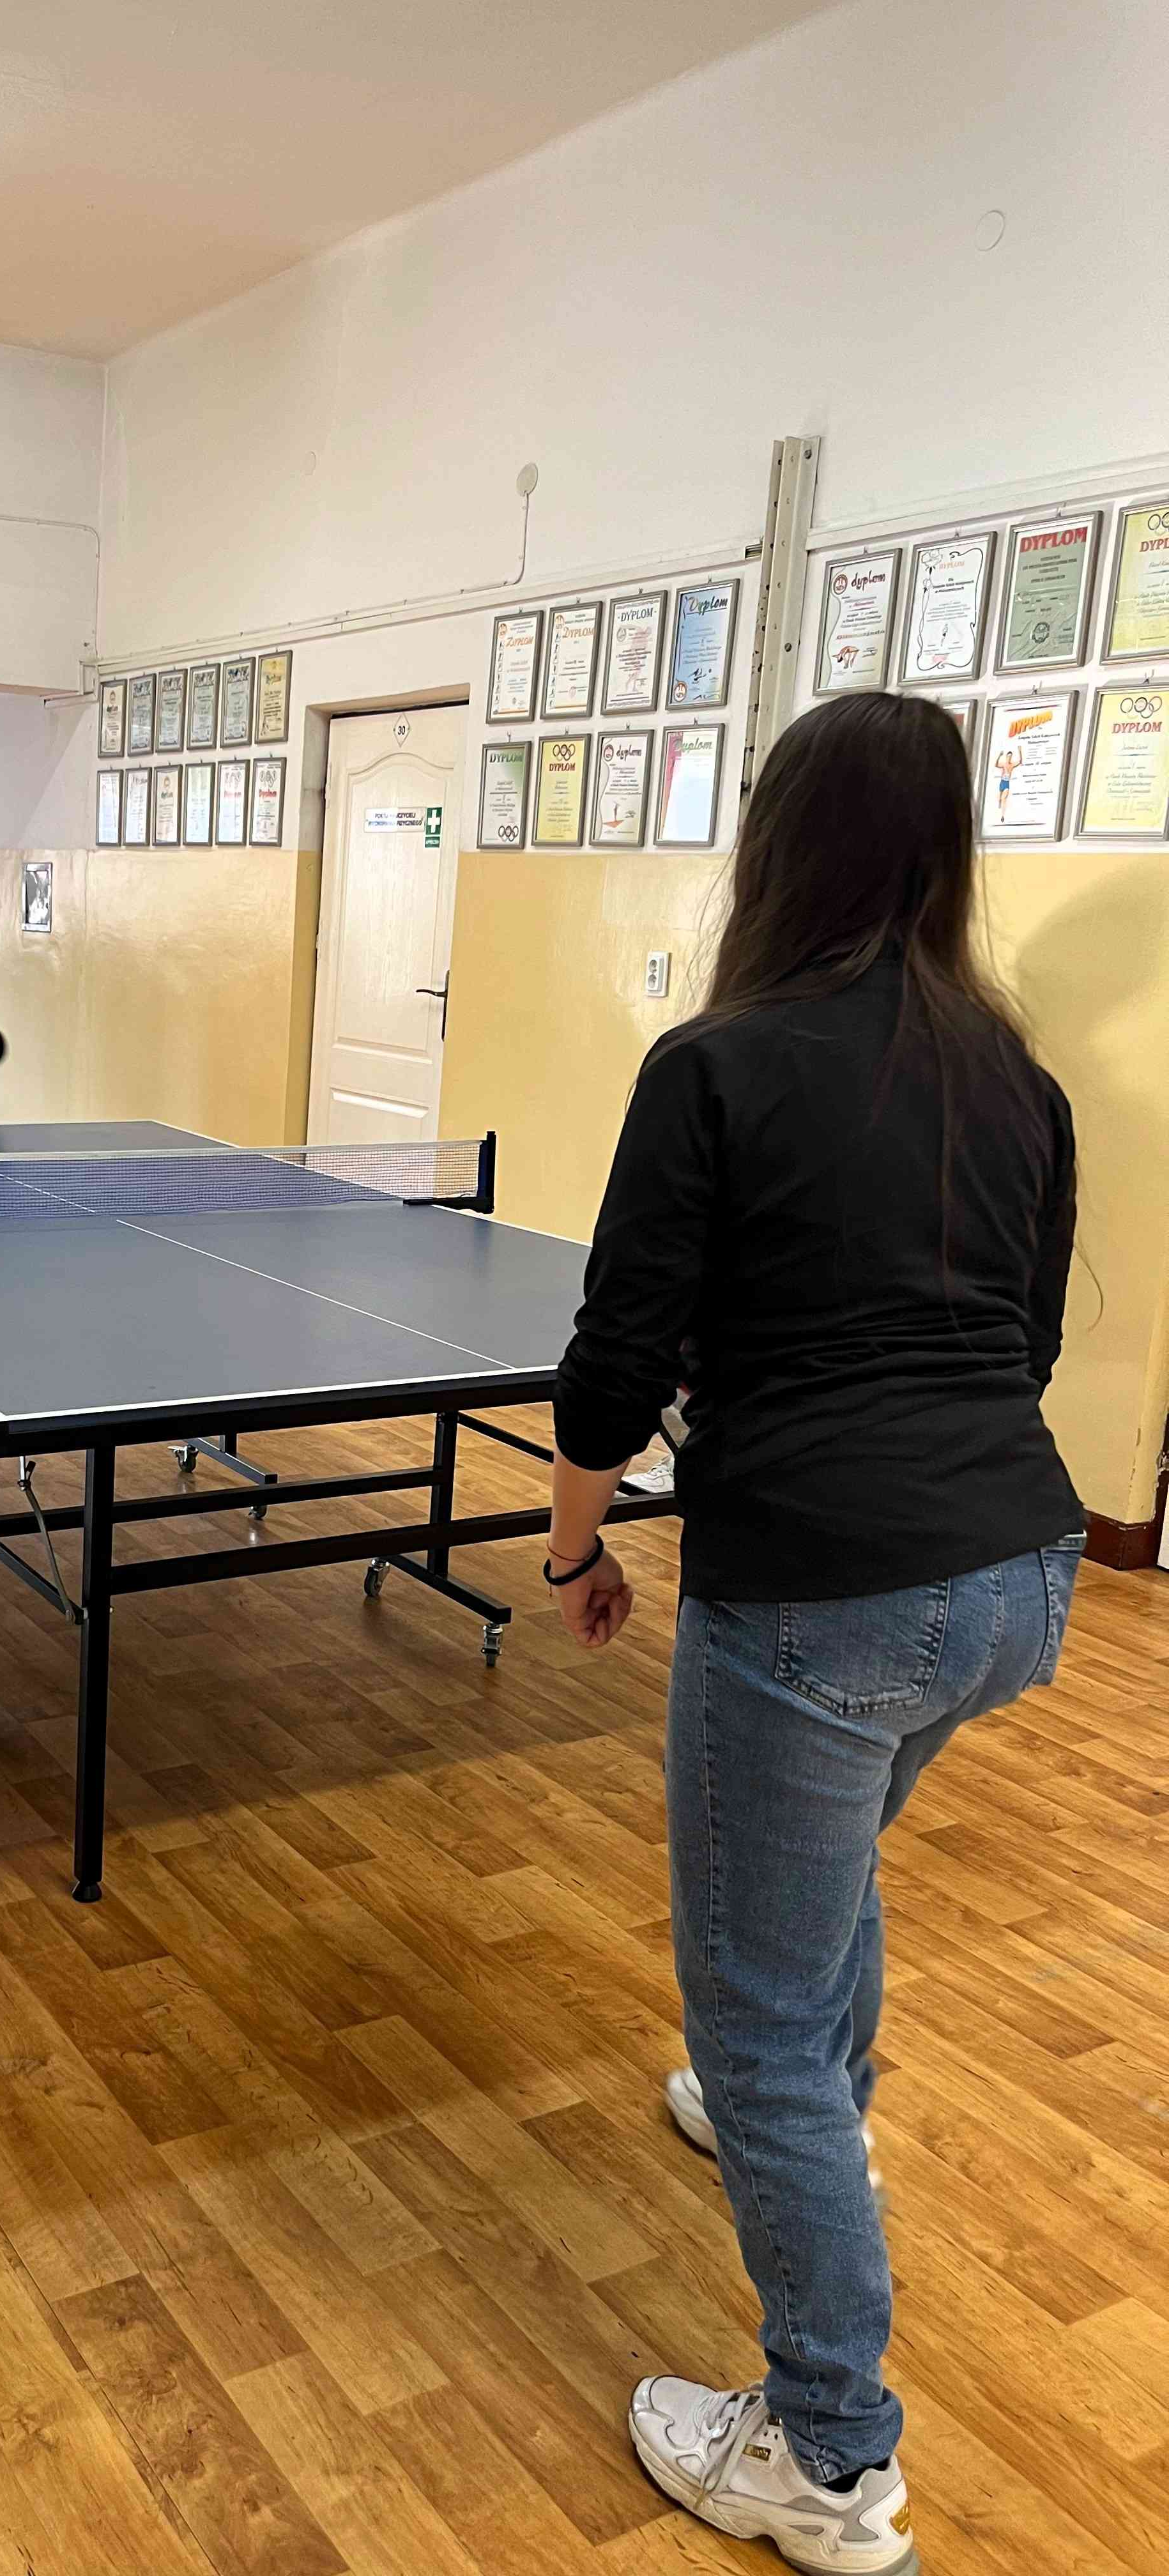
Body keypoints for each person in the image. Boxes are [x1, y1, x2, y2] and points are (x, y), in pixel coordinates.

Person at [545, 692, 1081, 2574]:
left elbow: (617, 1356)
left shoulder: (717, 1062)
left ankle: (831, 2462)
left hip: (821, 1589)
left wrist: (572, 1543)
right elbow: (1025, 1347)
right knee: (823, 1871)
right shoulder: (1021, 1084)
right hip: (1018, 1574)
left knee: (757, 2012)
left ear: (777, 844)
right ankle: (790, 2105)